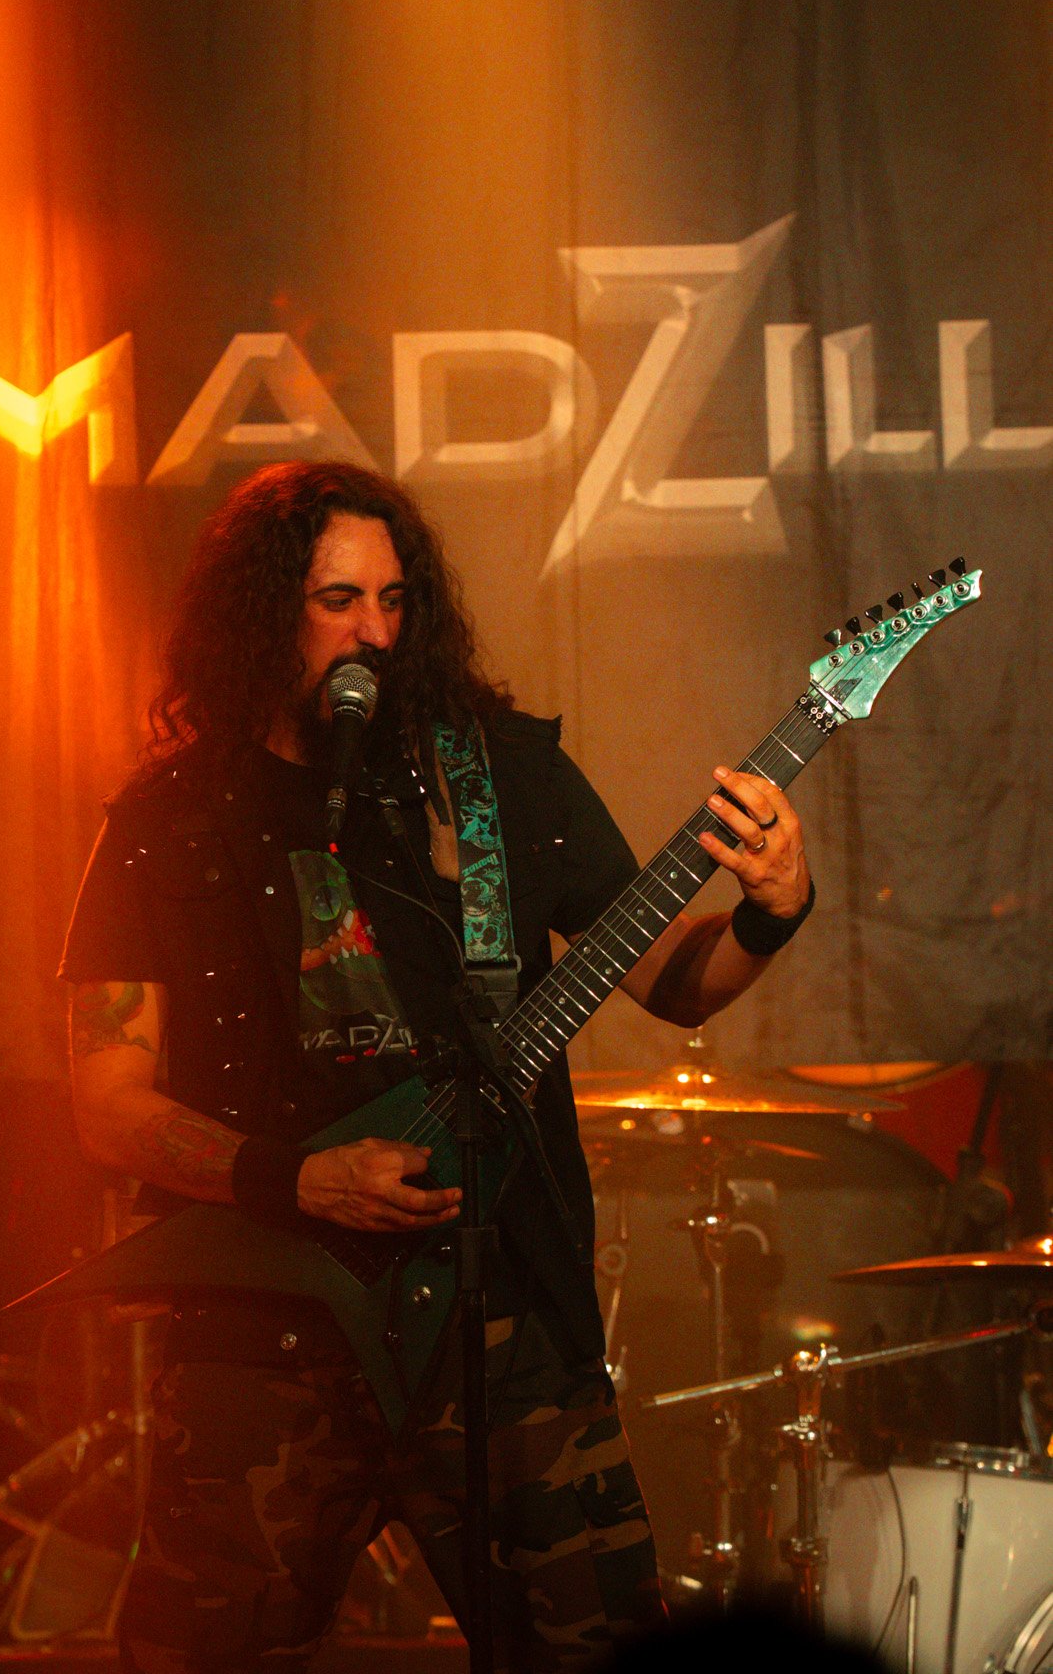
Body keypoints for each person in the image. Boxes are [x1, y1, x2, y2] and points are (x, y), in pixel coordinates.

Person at [61, 461, 813, 1672]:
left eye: (394, 599)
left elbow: (674, 980)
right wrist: (292, 1177)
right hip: (266, 1333)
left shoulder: (498, 776)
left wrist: (772, 907)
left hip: (501, 1318)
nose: (374, 630)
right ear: (260, 613)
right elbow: (105, 1101)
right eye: (338, 599)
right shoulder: (164, 820)